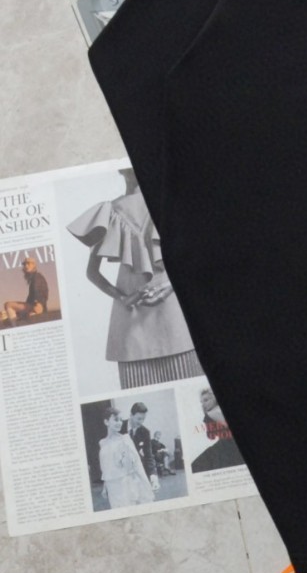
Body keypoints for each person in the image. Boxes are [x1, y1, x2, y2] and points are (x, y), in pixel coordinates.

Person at [66, 168, 202, 386]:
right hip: (168, 320)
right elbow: (197, 257)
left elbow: (92, 273)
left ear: (121, 171)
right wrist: (170, 283)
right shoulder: (167, 203)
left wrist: (122, 297)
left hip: (135, 322)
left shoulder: (108, 211)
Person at [98, 405, 154, 508]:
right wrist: (105, 485)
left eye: (120, 420)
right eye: (116, 420)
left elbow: (136, 466)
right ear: (106, 422)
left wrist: (146, 484)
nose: (119, 423)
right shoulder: (102, 443)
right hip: (111, 487)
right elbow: (106, 467)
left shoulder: (125, 440)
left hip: (124, 486)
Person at [122, 401, 160, 494]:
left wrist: (153, 477)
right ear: (131, 415)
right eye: (139, 418)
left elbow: (149, 456)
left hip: (137, 470)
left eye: (143, 419)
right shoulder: (119, 426)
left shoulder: (145, 432)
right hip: (121, 471)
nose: (141, 422)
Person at [1, 257, 49, 325]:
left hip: (36, 306)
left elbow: (39, 290)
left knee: (8, 305)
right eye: (24, 264)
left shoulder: (37, 277)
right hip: (35, 306)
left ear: (34, 265)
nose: (26, 266)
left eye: (28, 264)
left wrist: (39, 304)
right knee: (9, 317)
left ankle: (15, 327)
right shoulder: (34, 277)